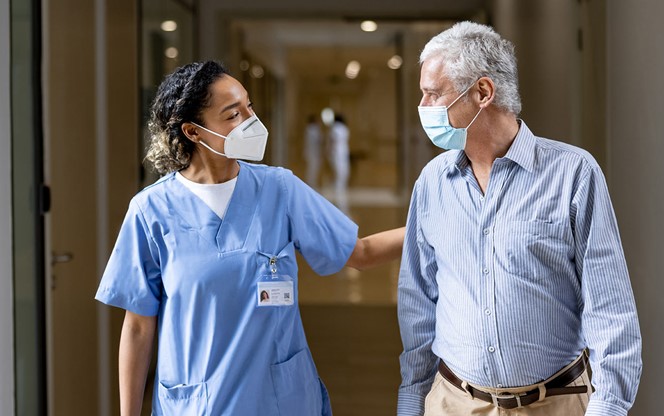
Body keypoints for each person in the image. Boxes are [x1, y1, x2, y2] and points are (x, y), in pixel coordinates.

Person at [95, 60, 404, 416]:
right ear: (193, 132)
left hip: (280, 400)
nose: (251, 122)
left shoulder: (279, 189)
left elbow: (361, 253)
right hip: (198, 403)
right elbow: (137, 326)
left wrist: (437, 222)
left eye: (249, 107)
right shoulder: (151, 211)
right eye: (232, 115)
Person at [397, 21, 641, 416]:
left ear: (482, 92)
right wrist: (411, 401)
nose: (423, 108)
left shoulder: (573, 174)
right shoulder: (432, 183)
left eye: (432, 94)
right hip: (452, 402)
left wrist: (608, 407)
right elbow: (418, 304)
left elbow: (611, 313)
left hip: (556, 403)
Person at [327, 114, 350, 213]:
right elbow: (334, 141)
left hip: (338, 153)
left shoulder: (336, 128)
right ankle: (338, 191)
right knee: (342, 172)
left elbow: (332, 141)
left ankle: (339, 190)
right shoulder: (341, 128)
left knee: (340, 172)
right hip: (339, 153)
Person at [304, 114, 323, 188]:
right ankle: (311, 183)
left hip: (313, 152)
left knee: (312, 168)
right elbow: (318, 140)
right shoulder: (312, 129)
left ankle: (311, 182)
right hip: (313, 152)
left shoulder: (310, 129)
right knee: (312, 169)